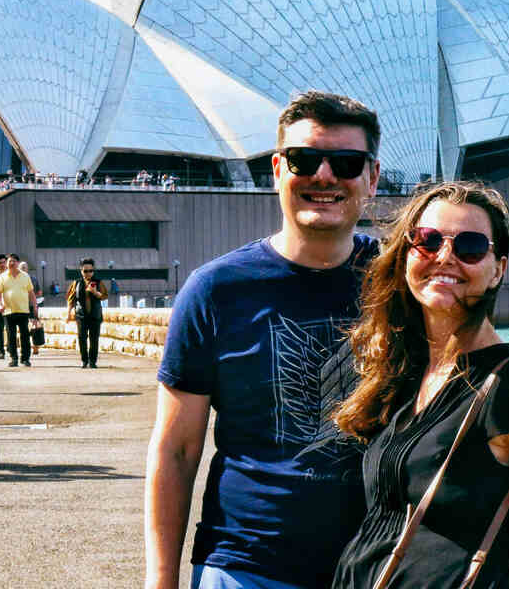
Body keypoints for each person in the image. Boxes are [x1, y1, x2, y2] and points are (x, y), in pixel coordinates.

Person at [146, 91, 381, 589]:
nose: (324, 176)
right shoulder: (216, 290)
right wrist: (160, 581)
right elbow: (176, 450)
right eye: (304, 159)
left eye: (346, 161)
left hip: (381, 567)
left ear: (371, 177)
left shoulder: (401, 282)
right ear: (278, 169)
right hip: (245, 567)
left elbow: (486, 409)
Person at [330, 181, 509, 589]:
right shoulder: (402, 373)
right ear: (406, 255)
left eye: (470, 246)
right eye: (427, 240)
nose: (445, 257)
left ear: (499, 269)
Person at [0, 255, 37, 367]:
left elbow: (31, 293)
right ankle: (13, 358)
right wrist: (0, 304)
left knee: (25, 336)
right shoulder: (2, 277)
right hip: (8, 311)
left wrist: (35, 307)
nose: (11, 263)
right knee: (11, 336)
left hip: (23, 310)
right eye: (9, 261)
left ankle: (25, 359)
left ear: (18, 263)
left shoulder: (25, 276)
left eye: (14, 261)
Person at [65, 258, 107, 368]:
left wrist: (95, 292)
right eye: (85, 271)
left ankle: (93, 361)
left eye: (90, 271)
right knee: (81, 338)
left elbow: (104, 296)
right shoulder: (76, 283)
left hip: (95, 315)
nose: (88, 273)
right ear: (81, 271)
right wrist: (68, 314)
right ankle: (84, 360)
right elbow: (71, 299)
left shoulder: (98, 282)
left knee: (94, 339)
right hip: (81, 315)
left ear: (93, 271)